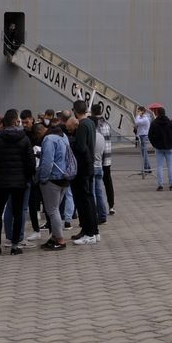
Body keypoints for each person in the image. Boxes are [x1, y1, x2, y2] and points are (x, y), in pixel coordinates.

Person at [0, 109, 35, 255]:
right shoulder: (24, 139)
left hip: (2, 182)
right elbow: (30, 162)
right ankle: (15, 246)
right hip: (19, 182)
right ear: (15, 121)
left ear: (4, 123)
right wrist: (27, 177)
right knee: (18, 213)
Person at [36, 117, 74, 250]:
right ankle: (54, 237)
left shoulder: (48, 140)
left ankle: (60, 239)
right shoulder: (63, 136)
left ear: (41, 132)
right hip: (65, 177)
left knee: (52, 211)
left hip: (53, 179)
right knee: (56, 210)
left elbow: (47, 162)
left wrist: (43, 178)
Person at [70, 100, 101, 245]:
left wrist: (71, 141)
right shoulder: (90, 123)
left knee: (84, 200)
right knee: (89, 199)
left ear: (75, 111)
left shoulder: (82, 125)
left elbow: (81, 147)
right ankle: (93, 231)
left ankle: (89, 233)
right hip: (89, 165)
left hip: (82, 166)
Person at [147, 105, 172, 190]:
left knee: (159, 166)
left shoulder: (154, 123)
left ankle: (160, 185)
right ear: (165, 113)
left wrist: (154, 144)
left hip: (159, 147)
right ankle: (171, 185)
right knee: (170, 166)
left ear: (157, 113)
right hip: (169, 147)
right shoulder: (170, 122)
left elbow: (150, 135)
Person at [94, 106, 115, 218]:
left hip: (96, 158)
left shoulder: (93, 125)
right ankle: (111, 206)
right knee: (108, 182)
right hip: (107, 158)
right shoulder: (107, 125)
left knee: (96, 185)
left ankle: (98, 208)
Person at [133, 106, 152, 175]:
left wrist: (138, 115)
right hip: (141, 136)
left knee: (144, 153)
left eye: (139, 111)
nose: (138, 113)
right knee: (144, 153)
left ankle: (146, 169)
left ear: (142, 111)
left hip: (143, 136)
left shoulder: (145, 119)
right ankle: (148, 168)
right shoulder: (143, 118)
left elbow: (136, 122)